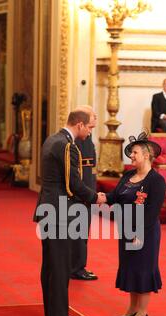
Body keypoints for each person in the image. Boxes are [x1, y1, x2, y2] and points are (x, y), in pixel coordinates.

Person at [33, 110, 105, 316]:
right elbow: (72, 183)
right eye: (90, 127)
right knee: (60, 267)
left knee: (52, 266)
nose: (90, 132)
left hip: (48, 209)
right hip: (60, 213)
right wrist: (95, 197)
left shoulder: (52, 139)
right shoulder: (67, 145)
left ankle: (54, 315)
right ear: (80, 124)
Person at [105, 131, 166, 316]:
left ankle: (142, 312)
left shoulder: (156, 181)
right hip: (126, 230)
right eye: (131, 153)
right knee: (130, 268)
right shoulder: (128, 175)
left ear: (147, 155)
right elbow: (115, 195)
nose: (131, 156)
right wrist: (99, 197)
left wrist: (137, 234)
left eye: (135, 153)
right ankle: (132, 309)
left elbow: (151, 212)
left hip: (144, 233)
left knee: (143, 269)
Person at [71, 105, 98, 281]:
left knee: (83, 229)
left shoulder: (88, 137)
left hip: (88, 185)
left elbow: (92, 163)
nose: (95, 120)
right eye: (93, 117)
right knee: (78, 230)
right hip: (80, 188)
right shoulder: (76, 139)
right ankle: (77, 267)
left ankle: (79, 265)